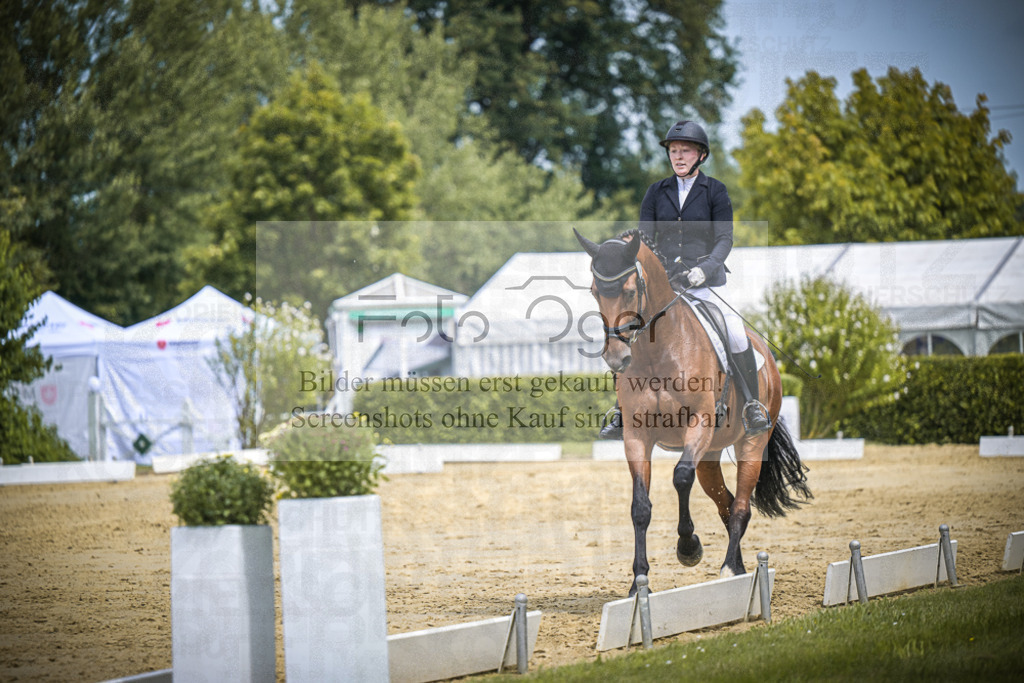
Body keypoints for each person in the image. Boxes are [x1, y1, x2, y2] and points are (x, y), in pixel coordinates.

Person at [599, 119, 772, 439]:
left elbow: (725, 239)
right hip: (665, 287)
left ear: (701, 156)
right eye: (674, 151)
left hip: (703, 284)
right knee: (628, 330)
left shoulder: (715, 191)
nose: (678, 157)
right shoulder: (655, 192)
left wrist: (705, 268)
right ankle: (622, 409)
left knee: (735, 332)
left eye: (686, 151)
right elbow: (645, 242)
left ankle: (751, 405)